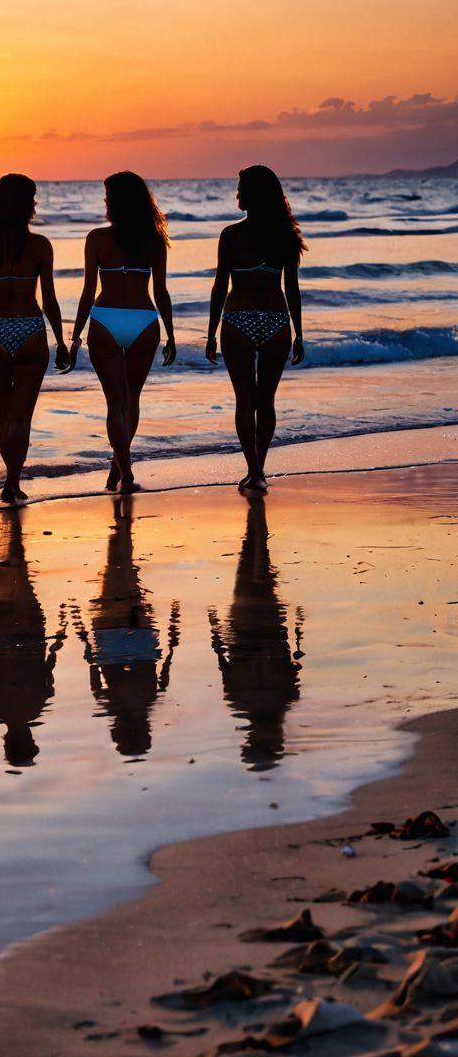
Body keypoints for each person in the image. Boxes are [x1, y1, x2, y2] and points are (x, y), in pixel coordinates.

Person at [0, 175, 69, 503]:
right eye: (31, 200)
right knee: (22, 415)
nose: (35, 205)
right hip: (29, 331)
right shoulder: (39, 246)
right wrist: (61, 341)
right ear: (23, 205)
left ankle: (10, 478)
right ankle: (12, 480)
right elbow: (49, 299)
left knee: (3, 414)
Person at [66, 172, 176, 493]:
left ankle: (124, 472)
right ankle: (119, 469)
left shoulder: (97, 238)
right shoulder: (154, 240)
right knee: (132, 399)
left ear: (114, 202)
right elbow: (162, 292)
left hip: (106, 321)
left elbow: (88, 291)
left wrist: (75, 337)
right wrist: (170, 334)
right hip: (144, 321)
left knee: (115, 403)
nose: (104, 202)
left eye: (107, 197)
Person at [205, 165, 306, 491]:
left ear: (253, 194)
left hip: (238, 320)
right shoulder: (286, 236)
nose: (237, 194)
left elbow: (220, 287)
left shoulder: (231, 235)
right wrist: (299, 333)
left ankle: (255, 471)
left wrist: (210, 333)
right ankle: (260, 468)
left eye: (241, 188)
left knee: (245, 400)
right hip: (276, 321)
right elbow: (292, 287)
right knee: (267, 400)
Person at [71, 499, 179, 757]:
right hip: (109, 641)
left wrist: (172, 635)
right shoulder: (111, 704)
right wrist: (87, 643)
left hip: (142, 640)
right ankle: (120, 531)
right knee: (113, 579)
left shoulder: (150, 701)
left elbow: (163, 668)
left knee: (127, 579)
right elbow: (95, 676)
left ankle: (122, 530)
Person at [0, 510, 66, 767]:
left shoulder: (38, 705)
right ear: (7, 742)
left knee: (22, 580)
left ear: (30, 738)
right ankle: (11, 532)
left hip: (31, 639)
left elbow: (48, 669)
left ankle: (13, 532)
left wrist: (55, 644)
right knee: (3, 580)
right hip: (0, 638)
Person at [208, 496, 304, 771]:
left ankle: (256, 527)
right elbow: (225, 664)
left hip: (266, 630)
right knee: (248, 576)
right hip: (248, 630)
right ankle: (255, 526)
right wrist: (216, 637)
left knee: (258, 577)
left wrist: (216, 636)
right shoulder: (241, 700)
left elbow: (292, 666)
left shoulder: (284, 698)